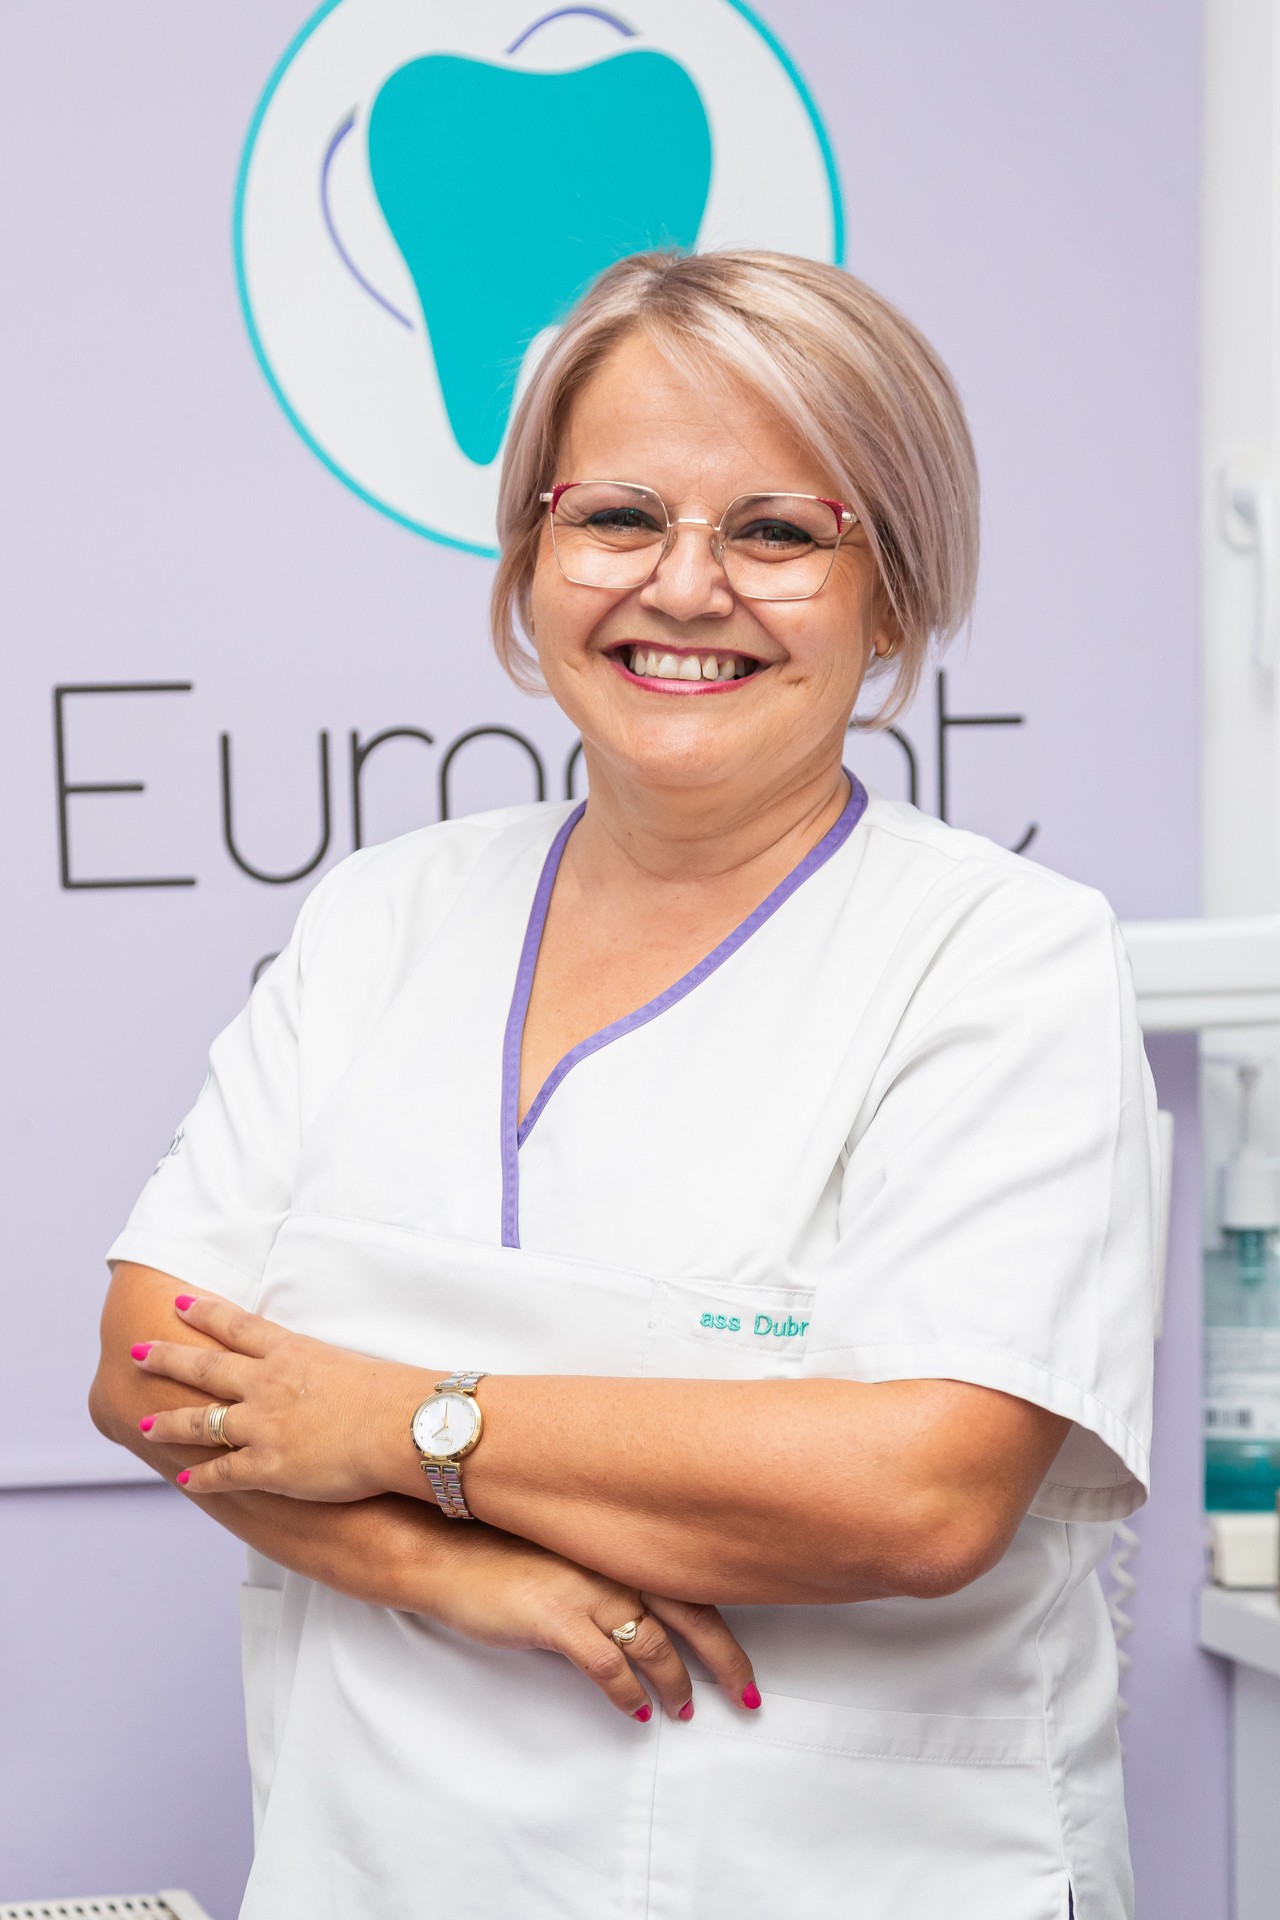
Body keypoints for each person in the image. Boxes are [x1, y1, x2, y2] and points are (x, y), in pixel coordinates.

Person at [90, 249, 1156, 1920]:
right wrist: (459, 1571)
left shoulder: (1003, 957)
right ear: (533, 561)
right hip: (382, 1869)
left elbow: (921, 1493)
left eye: (778, 531)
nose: (686, 585)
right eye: (617, 516)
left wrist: (393, 1422)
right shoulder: (383, 916)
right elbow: (148, 1368)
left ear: (894, 596)